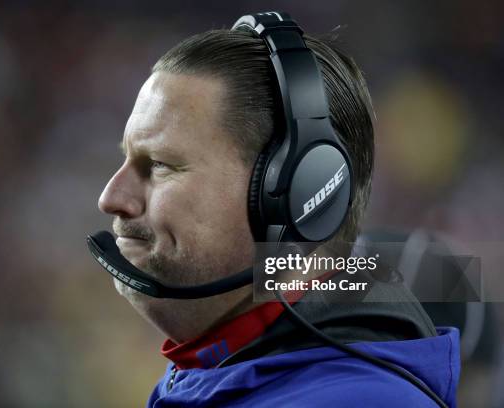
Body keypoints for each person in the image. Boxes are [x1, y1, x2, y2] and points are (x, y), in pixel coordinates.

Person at [95, 12, 459, 408]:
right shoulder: (215, 371)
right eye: (127, 161)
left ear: (297, 194)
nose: (112, 197)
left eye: (161, 165)